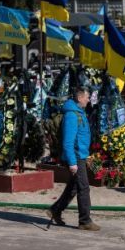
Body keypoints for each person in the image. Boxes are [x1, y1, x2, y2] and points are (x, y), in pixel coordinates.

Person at [47, 86, 100, 231]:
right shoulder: (72, 115)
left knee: (74, 186)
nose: (88, 100)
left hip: (80, 155)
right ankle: (85, 221)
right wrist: (72, 163)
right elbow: (68, 142)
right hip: (75, 157)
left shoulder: (79, 113)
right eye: (87, 97)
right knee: (84, 187)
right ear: (79, 98)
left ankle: (56, 209)